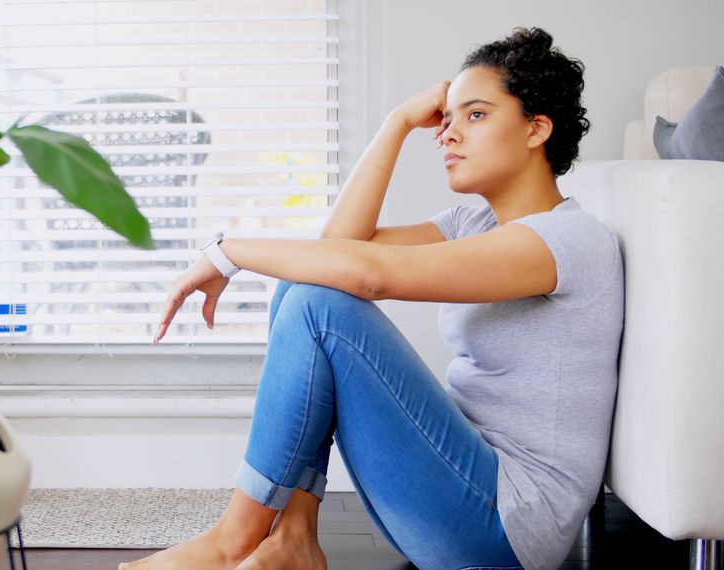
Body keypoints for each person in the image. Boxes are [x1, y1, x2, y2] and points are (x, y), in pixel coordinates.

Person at [120, 26, 623, 570]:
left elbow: (368, 276)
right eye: (447, 118)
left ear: (536, 129)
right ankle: (293, 538)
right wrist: (398, 123)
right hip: (461, 485)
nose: (449, 133)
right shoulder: (472, 223)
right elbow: (338, 251)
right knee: (306, 284)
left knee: (321, 304)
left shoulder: (564, 240)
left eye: (475, 115)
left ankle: (233, 540)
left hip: (505, 523)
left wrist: (226, 252)